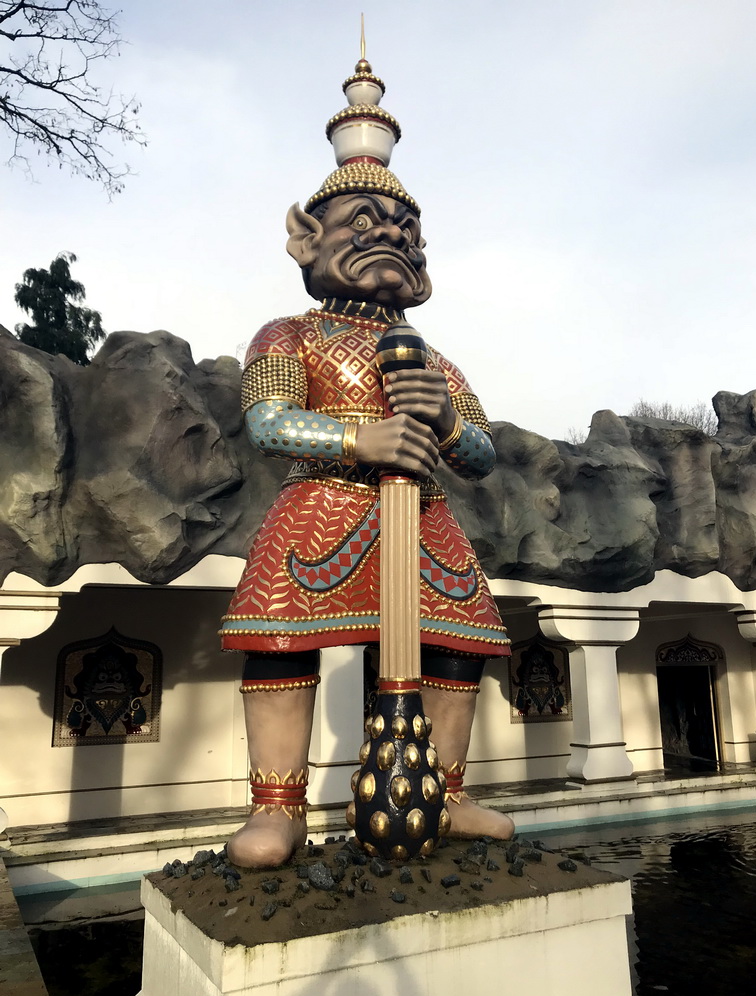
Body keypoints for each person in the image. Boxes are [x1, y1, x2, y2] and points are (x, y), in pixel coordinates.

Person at [220, 56, 513, 868]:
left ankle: (444, 792)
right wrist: (359, 439)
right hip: (323, 502)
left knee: (457, 643)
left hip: (422, 514)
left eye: (404, 229)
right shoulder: (290, 334)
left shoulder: (433, 355)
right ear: (308, 237)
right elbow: (268, 421)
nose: (388, 233)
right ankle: (277, 807)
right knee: (280, 638)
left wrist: (445, 420)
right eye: (362, 220)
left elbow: (484, 452)